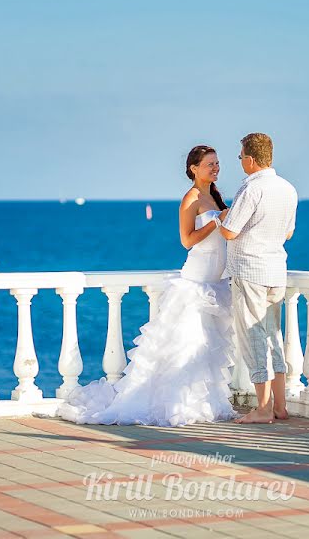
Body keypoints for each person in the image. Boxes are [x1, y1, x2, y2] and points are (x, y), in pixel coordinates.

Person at [57, 145, 238, 426]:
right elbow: (187, 240)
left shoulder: (215, 197)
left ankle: (203, 403)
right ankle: (177, 405)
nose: (215, 168)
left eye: (217, 163)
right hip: (196, 281)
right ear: (194, 168)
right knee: (186, 345)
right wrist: (215, 224)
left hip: (215, 282)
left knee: (207, 348)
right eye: (209, 164)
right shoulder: (190, 198)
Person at [220, 133, 298, 424]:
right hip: (276, 271)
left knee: (253, 338)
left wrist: (219, 218)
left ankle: (263, 409)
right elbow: (288, 232)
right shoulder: (288, 189)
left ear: (250, 159)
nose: (240, 162)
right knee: (273, 336)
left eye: (240, 157)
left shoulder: (251, 189)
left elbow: (230, 231)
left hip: (250, 271)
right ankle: (280, 406)